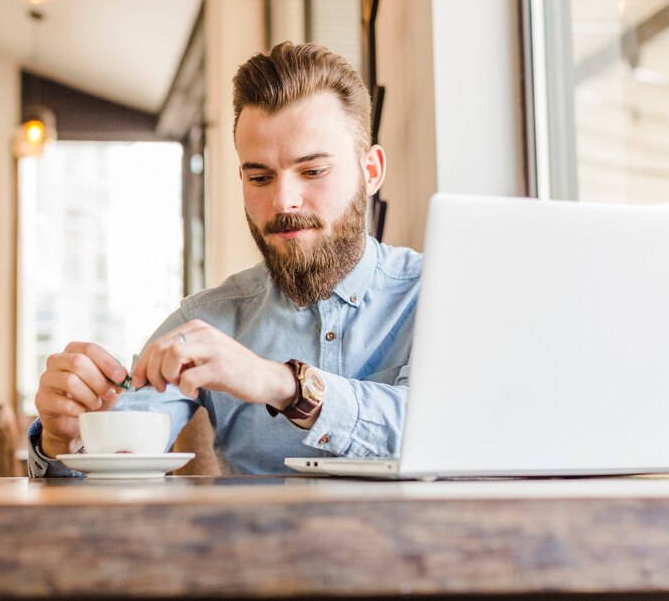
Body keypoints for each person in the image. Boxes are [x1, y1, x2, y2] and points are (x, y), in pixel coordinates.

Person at [27, 42, 422, 476]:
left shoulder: (434, 293)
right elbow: (108, 473)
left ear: (371, 171)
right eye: (259, 177)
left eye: (312, 172)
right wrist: (66, 441)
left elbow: (449, 433)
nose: (283, 200)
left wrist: (282, 384)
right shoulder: (207, 321)